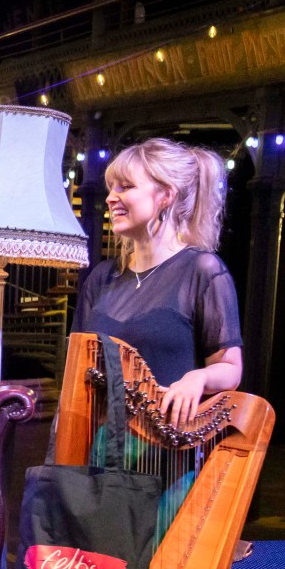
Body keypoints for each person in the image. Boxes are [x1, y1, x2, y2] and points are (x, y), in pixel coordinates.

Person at [76, 138, 244, 421]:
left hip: (164, 441)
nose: (111, 197)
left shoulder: (202, 271)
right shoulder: (101, 278)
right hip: (101, 441)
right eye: (111, 188)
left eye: (125, 186)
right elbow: (76, 372)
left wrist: (198, 378)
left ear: (165, 195)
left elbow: (230, 368)